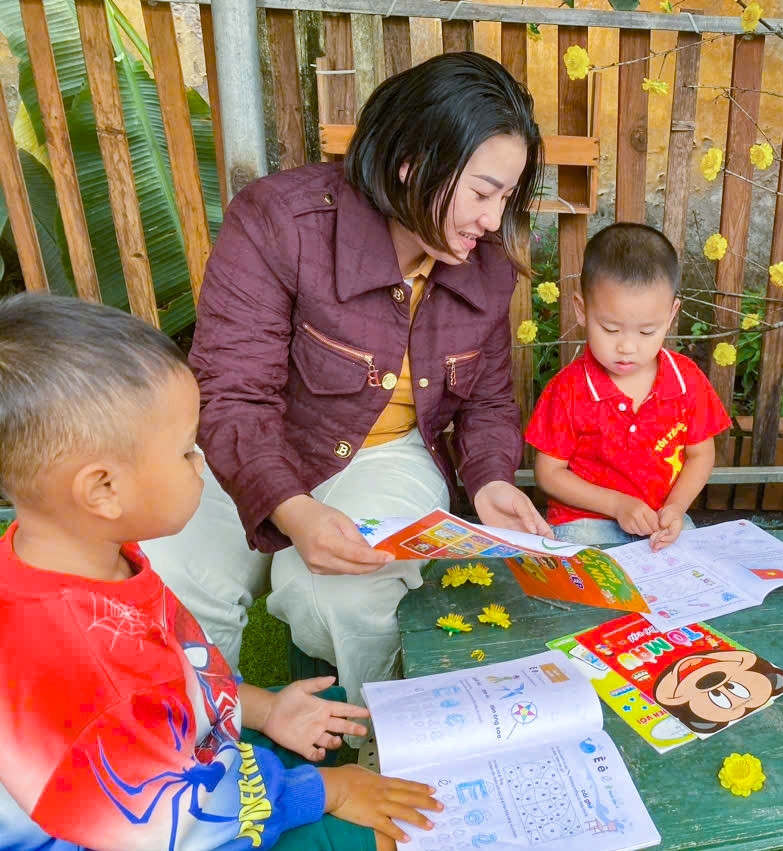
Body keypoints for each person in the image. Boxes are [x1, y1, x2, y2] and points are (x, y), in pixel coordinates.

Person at [140, 52, 551, 706]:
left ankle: (375, 730)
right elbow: (233, 394)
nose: (494, 221)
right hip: (247, 447)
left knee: (344, 593)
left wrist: (492, 480)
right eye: (481, 193)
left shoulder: (486, 264)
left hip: (385, 455)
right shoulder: (279, 221)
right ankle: (196, 737)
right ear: (412, 163)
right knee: (172, 573)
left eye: (506, 196)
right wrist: (293, 507)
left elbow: (488, 402)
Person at [0, 293, 443, 851]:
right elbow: (176, 821)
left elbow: (181, 671)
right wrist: (326, 791)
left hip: (189, 765)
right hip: (172, 825)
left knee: (329, 725)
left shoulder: (83, 559)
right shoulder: (91, 670)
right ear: (103, 489)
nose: (203, 465)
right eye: (189, 452)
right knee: (389, 833)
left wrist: (267, 709)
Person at [525, 223, 731, 549]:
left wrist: (675, 508)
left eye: (647, 332)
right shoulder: (568, 390)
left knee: (695, 564)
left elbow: (701, 454)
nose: (627, 347)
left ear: (671, 314)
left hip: (658, 519)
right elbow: (549, 473)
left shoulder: (685, 380)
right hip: (585, 521)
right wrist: (618, 505)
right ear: (581, 309)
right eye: (610, 329)